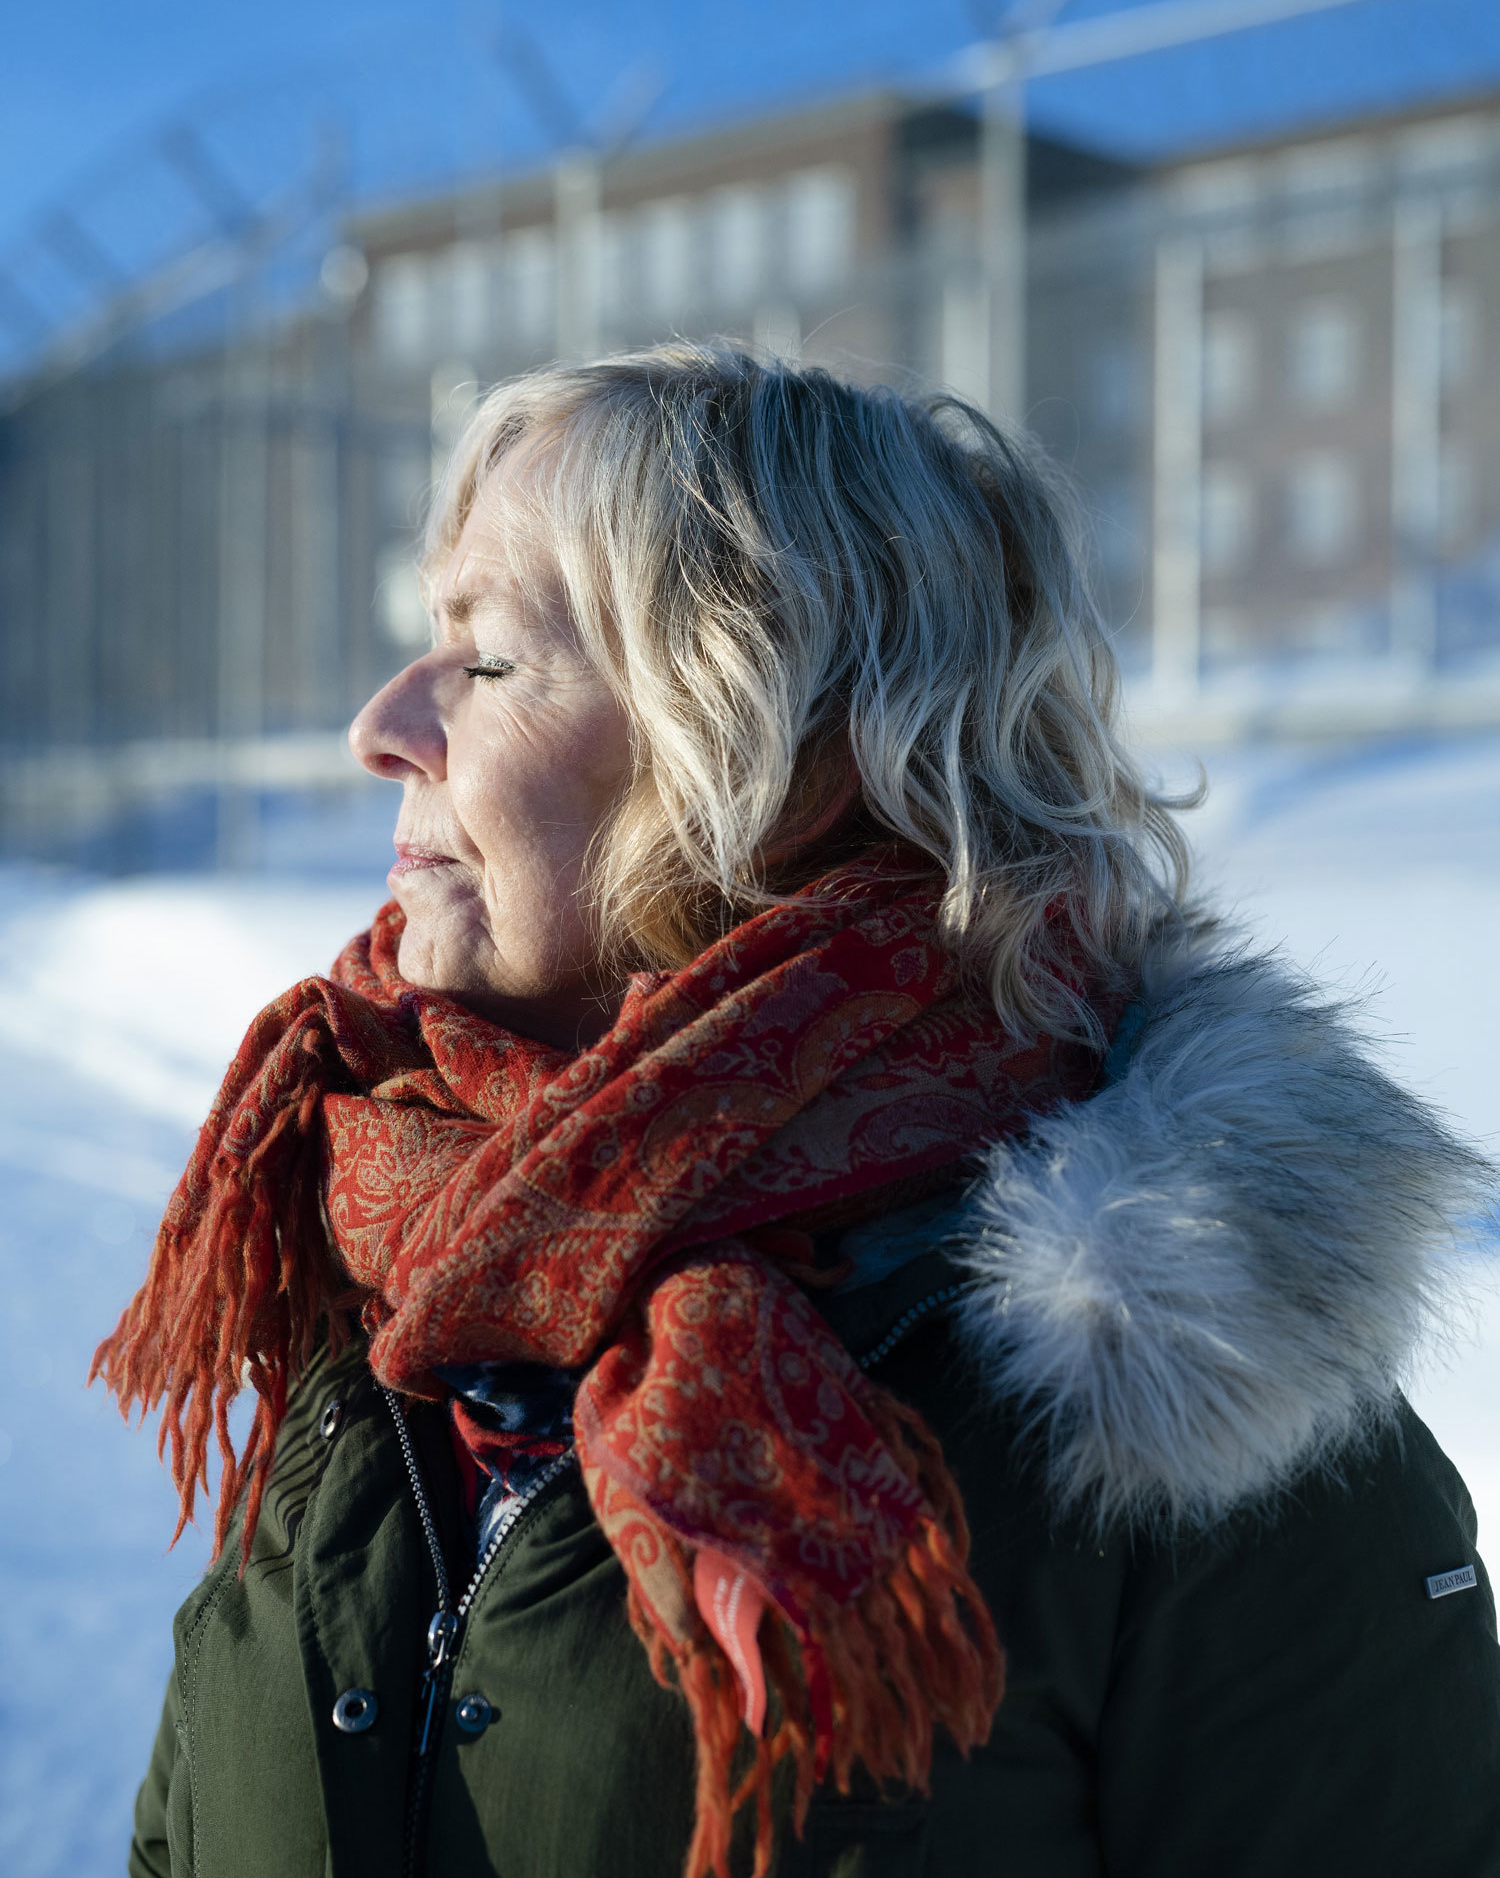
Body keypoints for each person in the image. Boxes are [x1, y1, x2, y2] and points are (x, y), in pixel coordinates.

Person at [101, 345, 1499, 1878]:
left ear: (782, 752)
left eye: (489, 659)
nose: (381, 722)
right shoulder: (384, 1222)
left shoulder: (1188, 1409)